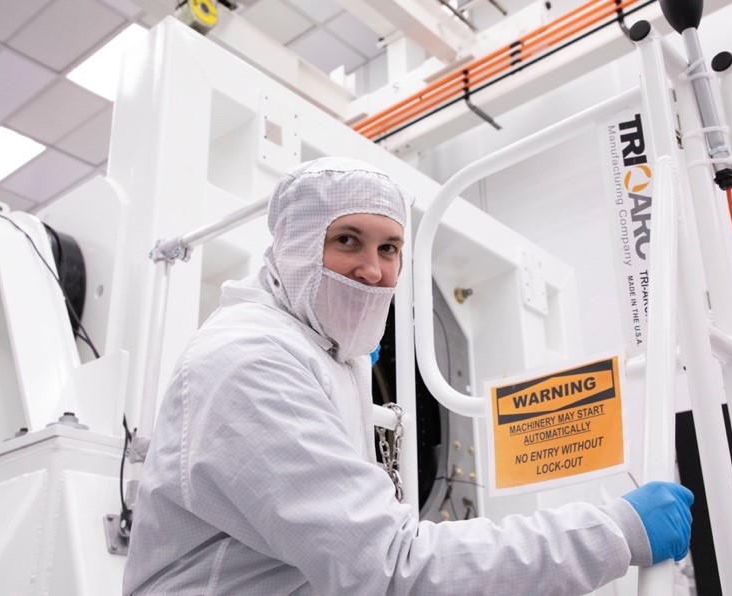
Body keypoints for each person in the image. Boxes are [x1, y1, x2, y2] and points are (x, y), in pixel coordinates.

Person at [123, 157, 694, 595]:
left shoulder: (321, 355)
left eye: (390, 247)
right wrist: (612, 531)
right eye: (347, 240)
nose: (372, 270)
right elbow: (388, 566)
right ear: (295, 244)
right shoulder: (251, 362)